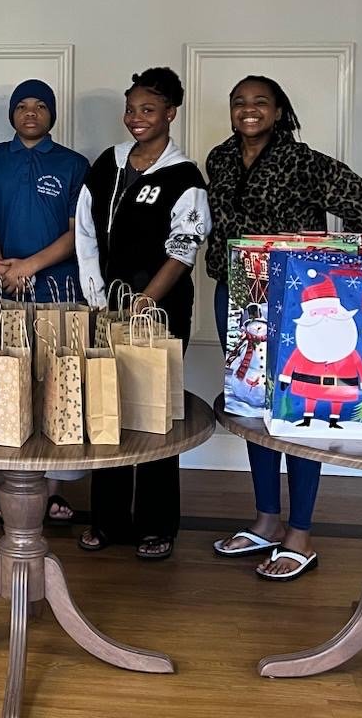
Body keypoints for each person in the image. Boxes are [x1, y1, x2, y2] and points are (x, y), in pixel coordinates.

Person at [205, 75, 362, 581]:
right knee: (252, 408)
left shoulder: (305, 162)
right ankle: (265, 519)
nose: (248, 109)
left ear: (279, 110)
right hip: (238, 298)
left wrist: (328, 267)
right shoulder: (219, 159)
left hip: (295, 301)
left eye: (260, 102)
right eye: (238, 101)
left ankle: (300, 532)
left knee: (301, 405)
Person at [74, 68, 211, 561]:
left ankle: (157, 524)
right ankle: (107, 519)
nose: (136, 118)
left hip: (160, 306)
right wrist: (97, 296)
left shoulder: (185, 176)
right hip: (108, 305)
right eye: (131, 108)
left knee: (155, 411)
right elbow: (84, 228)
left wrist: (146, 303)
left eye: (148, 110)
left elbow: (183, 247)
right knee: (107, 407)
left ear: (171, 113)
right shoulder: (107, 164)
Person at [0, 78, 90, 527]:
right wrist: (0, 264)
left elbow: (76, 233)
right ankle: (12, 488)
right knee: (8, 387)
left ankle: (53, 492)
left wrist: (32, 266)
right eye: (21, 106)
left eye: (39, 105)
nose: (30, 113)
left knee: (56, 389)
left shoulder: (73, 164)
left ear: (52, 114)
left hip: (60, 292)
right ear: (10, 114)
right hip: (6, 290)